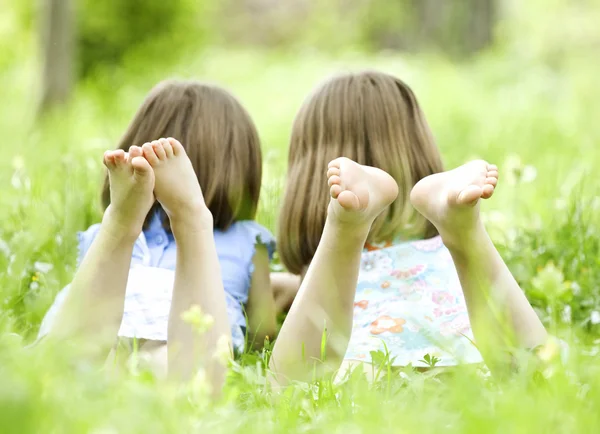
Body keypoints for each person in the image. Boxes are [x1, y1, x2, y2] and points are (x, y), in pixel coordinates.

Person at [268, 71, 548, 384]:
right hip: (472, 366)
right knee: (539, 375)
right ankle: (466, 235)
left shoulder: (324, 277)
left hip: (365, 371)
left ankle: (345, 229)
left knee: (288, 388)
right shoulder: (440, 259)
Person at [38, 80, 277, 391]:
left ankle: (136, 221)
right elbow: (264, 333)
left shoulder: (97, 237)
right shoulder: (247, 241)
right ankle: (176, 220)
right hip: (172, 339)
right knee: (177, 374)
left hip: (113, 327)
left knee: (83, 362)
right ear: (240, 166)